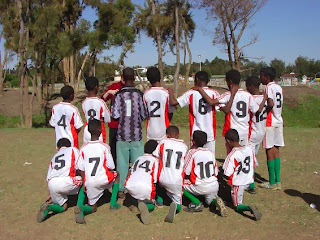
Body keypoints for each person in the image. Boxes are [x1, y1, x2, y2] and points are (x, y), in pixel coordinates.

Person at [194, 70, 259, 154]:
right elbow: (256, 110)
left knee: (232, 155)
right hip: (245, 131)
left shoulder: (228, 94)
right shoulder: (248, 95)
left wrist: (200, 89)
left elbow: (211, 102)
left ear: (230, 81)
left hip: (232, 132)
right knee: (243, 154)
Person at [111, 67, 148, 198]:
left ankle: (120, 189)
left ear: (122, 77)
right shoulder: (139, 94)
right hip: (136, 135)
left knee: (121, 164)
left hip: (122, 135)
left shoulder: (118, 95)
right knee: (138, 164)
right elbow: (144, 115)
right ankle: (137, 189)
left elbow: (114, 115)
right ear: (134, 78)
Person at [74, 119, 120, 224]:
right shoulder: (104, 147)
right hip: (102, 179)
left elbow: (80, 168)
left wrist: (85, 181)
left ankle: (81, 207)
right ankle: (113, 203)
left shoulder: (83, 148)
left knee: (93, 207)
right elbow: (111, 166)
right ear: (100, 130)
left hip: (89, 182)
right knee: (117, 175)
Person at [168, 71, 220, 153]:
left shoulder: (191, 93)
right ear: (207, 81)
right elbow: (220, 107)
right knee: (210, 158)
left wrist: (170, 91)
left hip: (196, 134)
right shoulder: (214, 93)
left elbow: (173, 102)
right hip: (210, 133)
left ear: (197, 80)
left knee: (194, 158)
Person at [183, 130, 228, 217]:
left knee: (177, 184)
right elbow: (216, 171)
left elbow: (185, 171)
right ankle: (216, 201)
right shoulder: (210, 152)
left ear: (193, 141)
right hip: (213, 185)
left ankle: (196, 203)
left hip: (200, 186)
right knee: (210, 201)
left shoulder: (192, 152)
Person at [37, 138, 82, 223]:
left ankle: (49, 207)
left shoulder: (54, 156)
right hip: (66, 181)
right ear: (69, 145)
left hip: (52, 184)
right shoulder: (73, 150)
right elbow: (80, 166)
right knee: (84, 179)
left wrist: (50, 193)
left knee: (63, 206)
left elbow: (49, 177)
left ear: (58, 148)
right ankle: (80, 206)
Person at [222, 129, 262, 221]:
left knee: (237, 206)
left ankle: (249, 208)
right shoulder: (249, 149)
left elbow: (226, 173)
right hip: (249, 181)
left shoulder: (232, 155)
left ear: (228, 141)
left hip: (238, 184)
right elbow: (254, 164)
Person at [152, 125, 188, 223]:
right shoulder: (184, 145)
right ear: (178, 135)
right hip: (177, 180)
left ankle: (159, 200)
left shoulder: (163, 142)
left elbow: (155, 156)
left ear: (167, 135)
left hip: (162, 178)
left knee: (160, 178)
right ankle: (176, 206)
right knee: (178, 201)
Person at [258, 67, 284, 190]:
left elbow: (271, 103)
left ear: (267, 78)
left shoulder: (268, 87)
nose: (260, 78)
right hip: (279, 120)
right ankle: (278, 181)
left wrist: (263, 112)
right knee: (276, 150)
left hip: (269, 121)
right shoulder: (279, 87)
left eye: (261, 76)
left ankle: (272, 182)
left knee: (269, 150)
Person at [125, 140, 159, 225]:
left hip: (130, 185)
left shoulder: (139, 158)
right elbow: (154, 180)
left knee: (137, 194)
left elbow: (130, 171)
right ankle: (146, 206)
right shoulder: (155, 160)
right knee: (151, 205)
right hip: (145, 187)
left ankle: (135, 204)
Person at [245, 76, 267, 194]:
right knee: (252, 156)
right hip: (261, 130)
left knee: (249, 157)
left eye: (247, 86)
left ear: (251, 86)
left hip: (253, 131)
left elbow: (257, 110)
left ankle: (251, 184)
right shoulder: (264, 97)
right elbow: (270, 106)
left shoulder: (251, 98)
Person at [144, 67, 175, 141]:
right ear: (160, 77)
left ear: (148, 79)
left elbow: (145, 113)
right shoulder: (166, 93)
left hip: (151, 130)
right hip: (164, 131)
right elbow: (170, 113)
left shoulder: (146, 94)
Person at [101, 75, 125, 161]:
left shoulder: (129, 88)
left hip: (126, 123)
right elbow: (102, 99)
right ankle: (113, 164)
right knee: (113, 146)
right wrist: (109, 92)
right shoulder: (114, 86)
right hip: (114, 123)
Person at [82, 76, 111, 144]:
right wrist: (101, 119)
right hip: (99, 132)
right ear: (96, 87)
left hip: (87, 131)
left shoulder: (84, 102)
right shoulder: (100, 102)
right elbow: (108, 118)